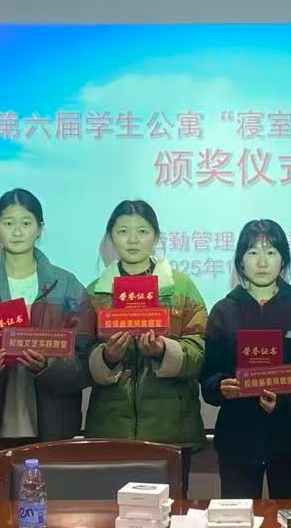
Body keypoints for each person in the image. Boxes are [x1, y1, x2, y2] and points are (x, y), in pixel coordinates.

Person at [0, 190, 95, 447]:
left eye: (26, 223)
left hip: (55, 428)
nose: (17, 231)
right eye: (8, 223)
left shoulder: (68, 286)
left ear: (39, 228)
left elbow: (85, 359)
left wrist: (48, 364)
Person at [201, 218, 291, 500]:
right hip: (238, 442)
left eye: (271, 252)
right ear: (240, 262)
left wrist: (286, 401)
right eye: (253, 252)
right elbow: (208, 374)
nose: (262, 262)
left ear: (283, 260)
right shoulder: (223, 311)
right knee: (238, 521)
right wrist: (220, 387)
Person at [85, 200, 208, 493]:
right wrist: (107, 357)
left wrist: (164, 351)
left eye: (142, 231)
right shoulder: (95, 292)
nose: (132, 240)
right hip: (111, 430)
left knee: (171, 514)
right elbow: (80, 354)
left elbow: (201, 349)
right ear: (110, 237)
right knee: (113, 514)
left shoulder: (181, 287)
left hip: (172, 431)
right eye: (123, 231)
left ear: (156, 237)